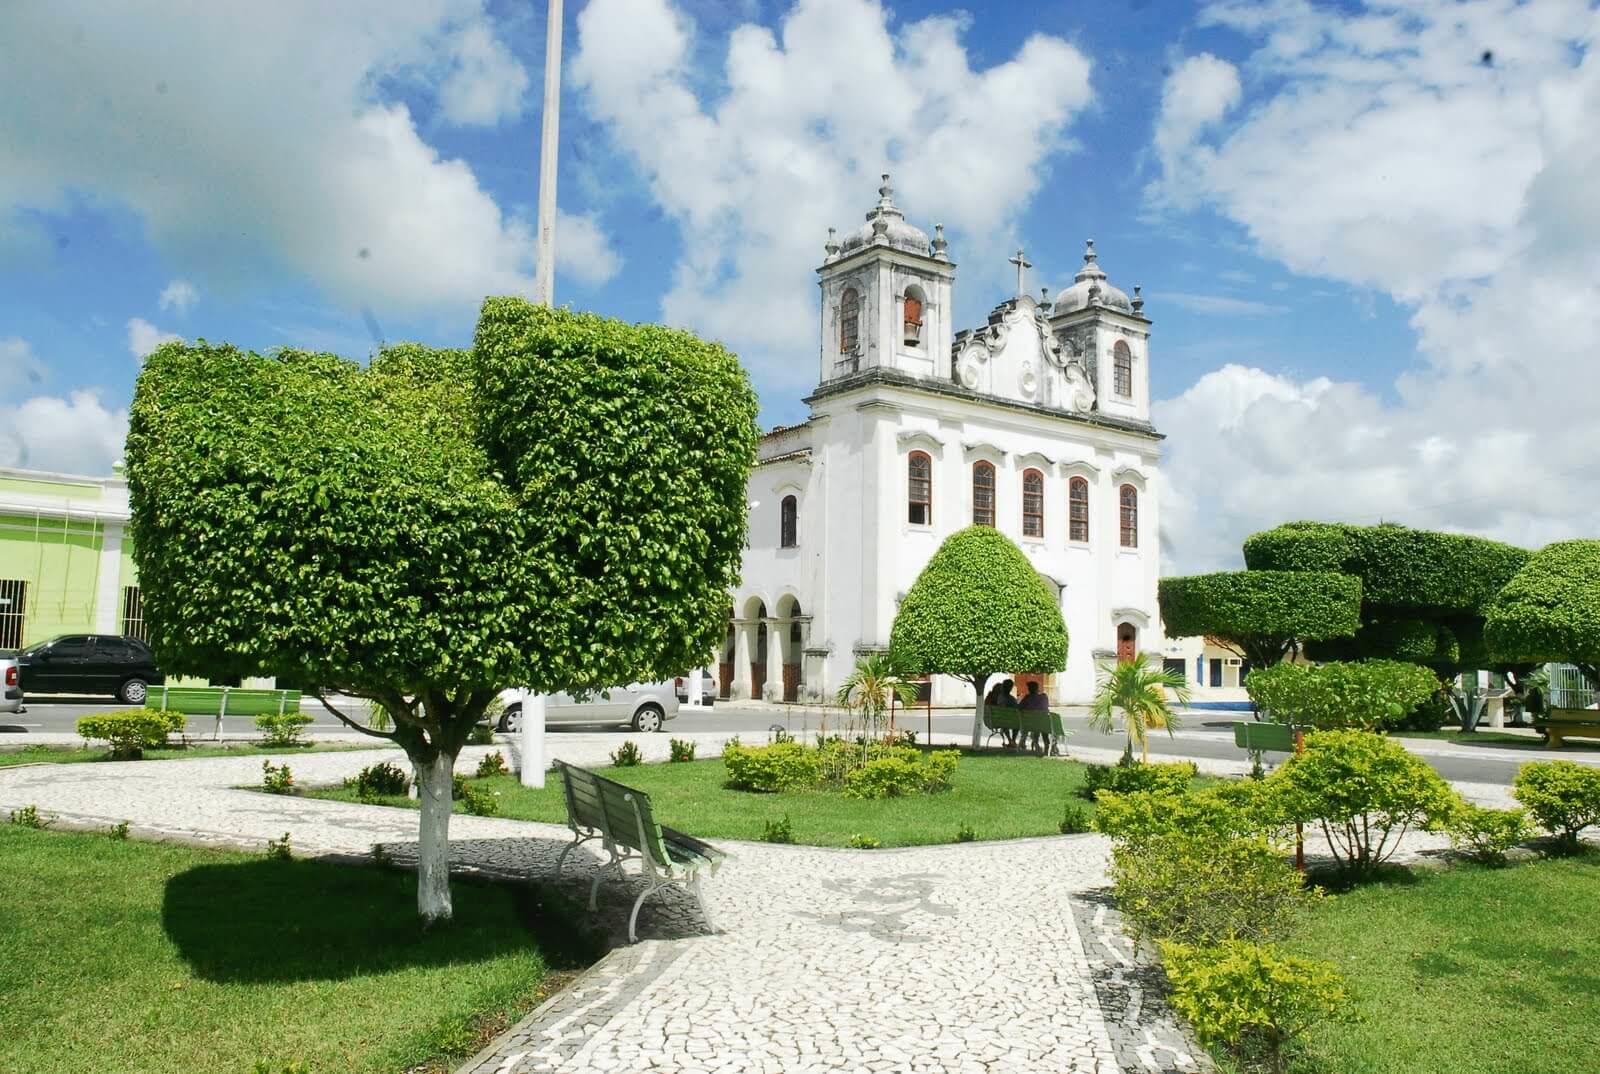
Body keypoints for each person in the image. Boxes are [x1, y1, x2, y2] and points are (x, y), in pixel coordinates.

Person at [1020, 680, 1050, 753]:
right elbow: (1046, 709)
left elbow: (1019, 707)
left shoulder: (1026, 699)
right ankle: (1046, 743)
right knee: (1042, 724)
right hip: (1042, 724)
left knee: (1037, 723)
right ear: (1037, 688)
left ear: (1029, 689)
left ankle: (1036, 742)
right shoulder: (1043, 698)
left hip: (1029, 724)